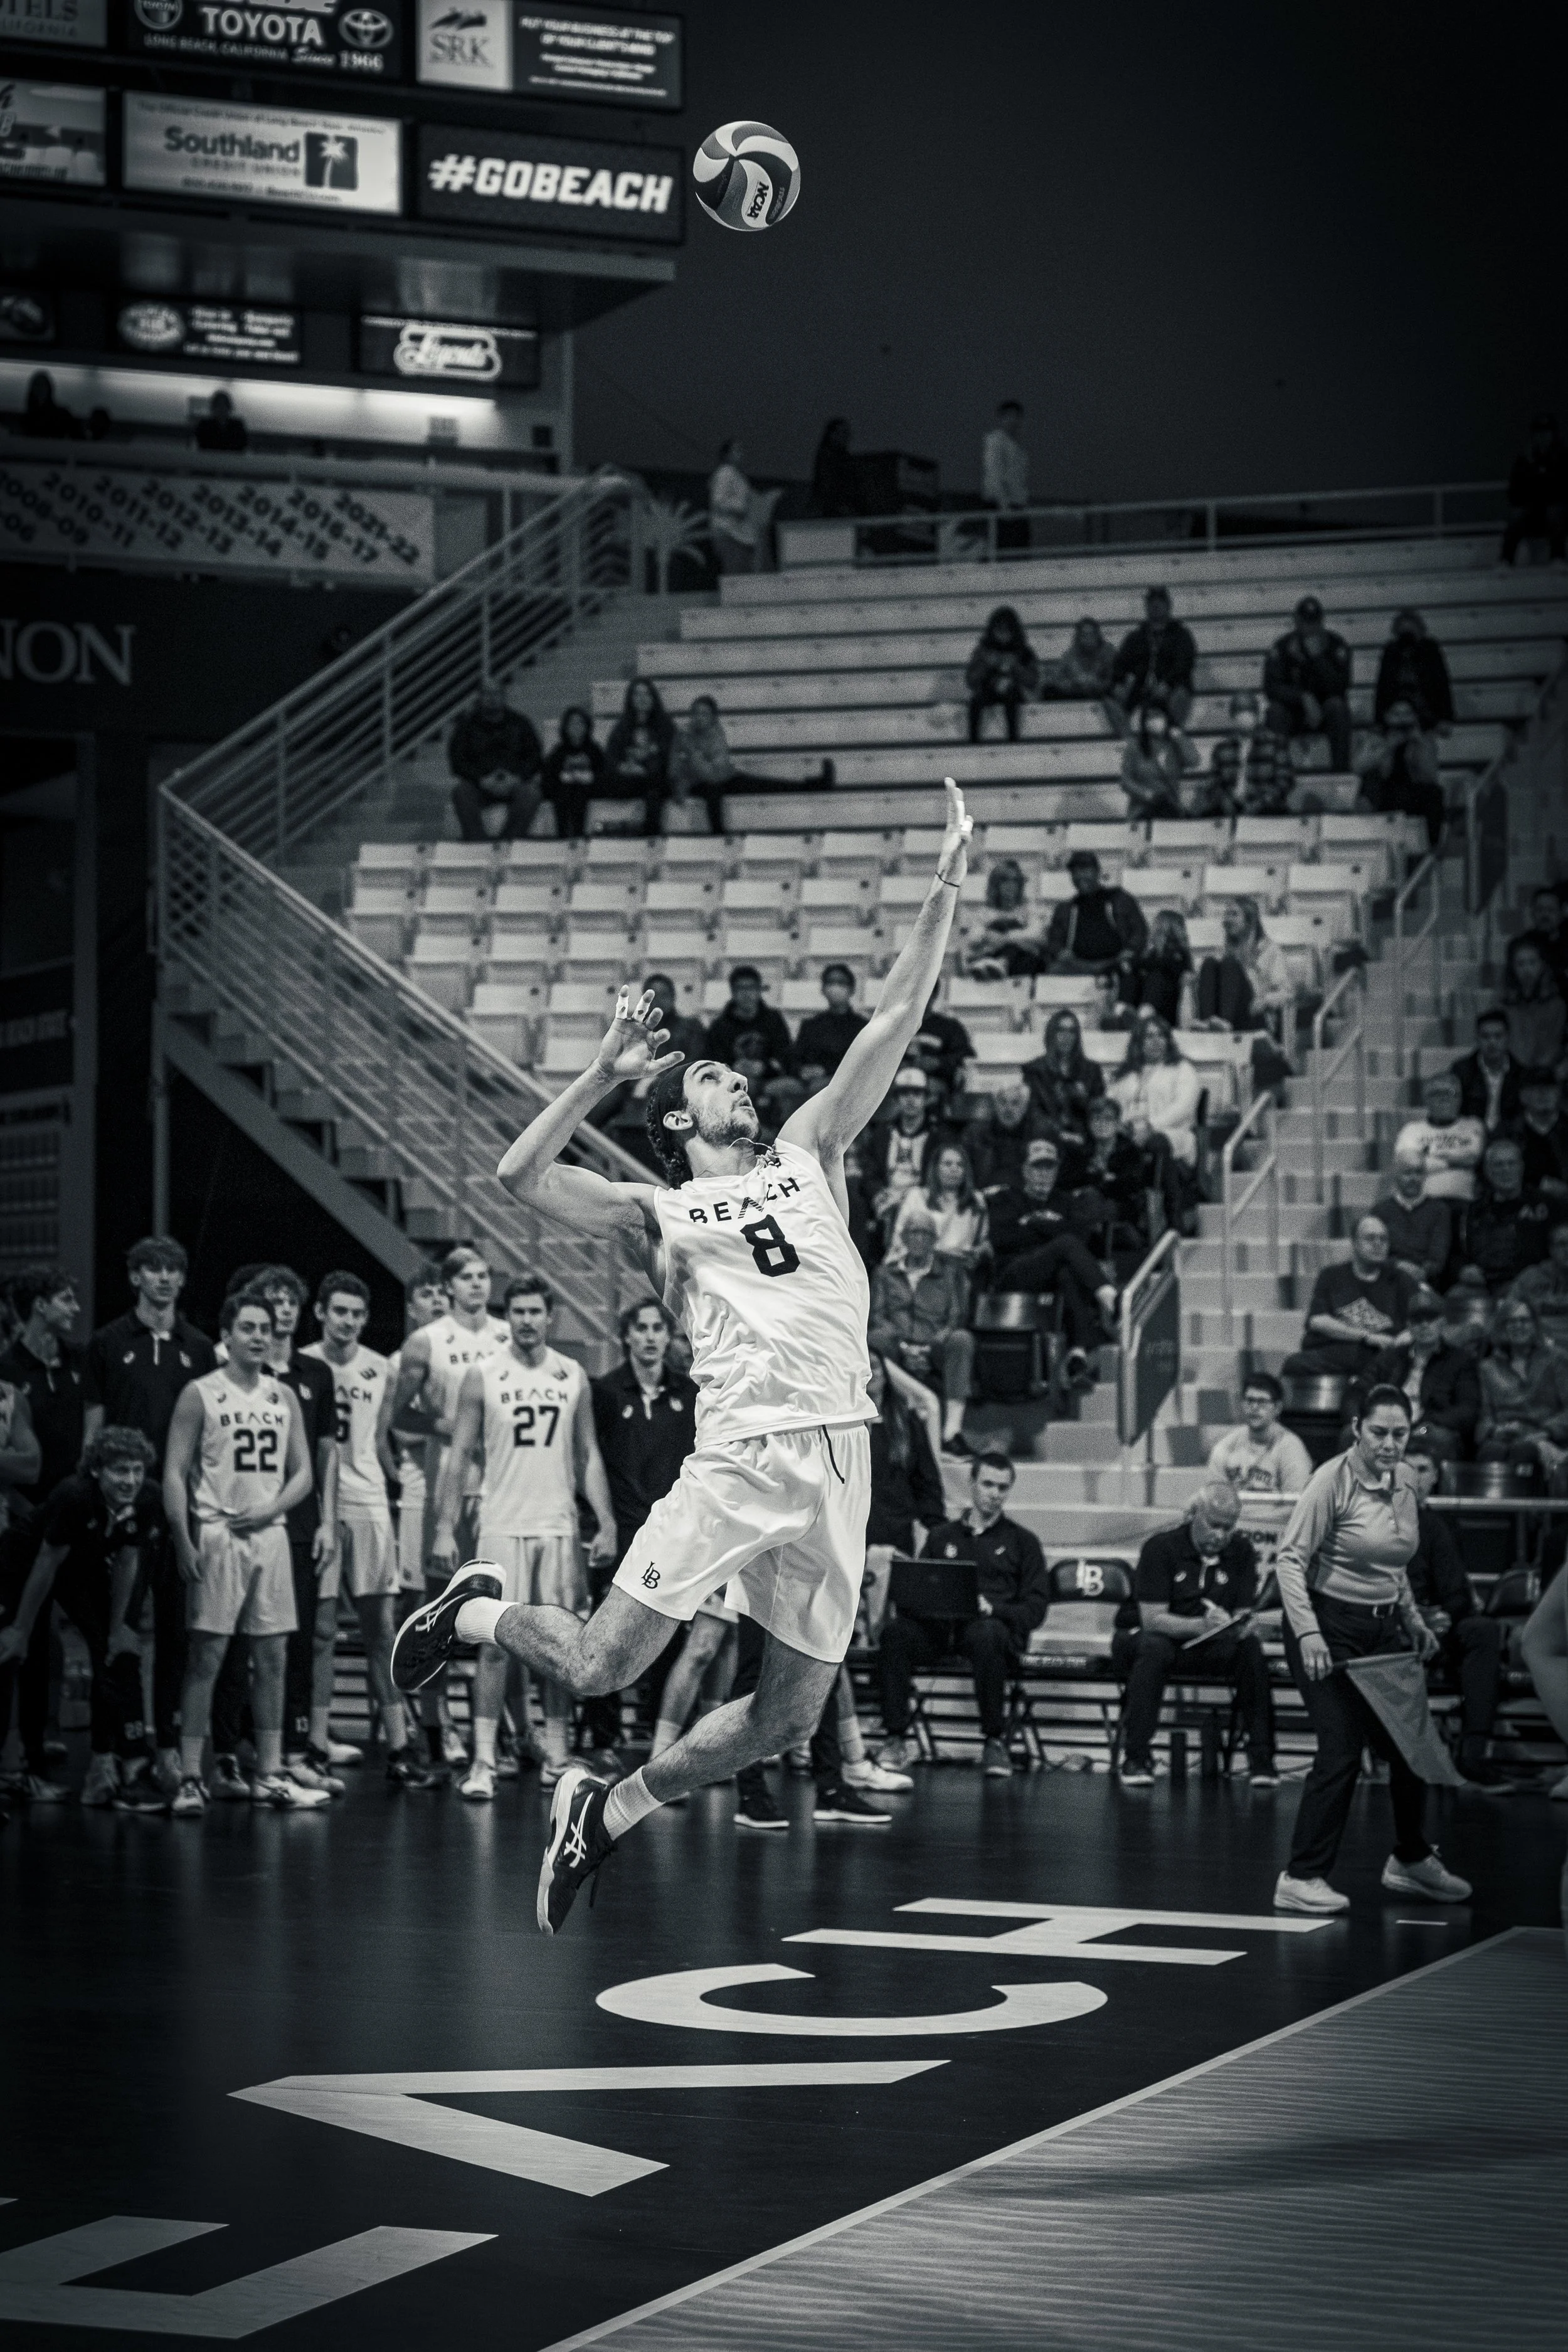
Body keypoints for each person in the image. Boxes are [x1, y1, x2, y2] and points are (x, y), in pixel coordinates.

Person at [393, 780, 981, 1935]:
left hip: (842, 1457)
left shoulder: (812, 1148)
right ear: (674, 1121)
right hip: (743, 1456)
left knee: (787, 1720)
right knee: (604, 1665)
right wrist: (604, 1073)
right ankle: (469, 1615)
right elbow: (518, 1178)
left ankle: (606, 1812)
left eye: (734, 1074)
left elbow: (897, 1016)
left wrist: (947, 877)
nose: (735, 1080)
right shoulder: (658, 1209)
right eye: (709, 1076)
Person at [1271, 1387, 1467, 1914]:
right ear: (1358, 1428)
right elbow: (1288, 1559)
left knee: (1409, 1747)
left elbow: (1392, 1561)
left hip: (1380, 1630)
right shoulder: (1330, 1481)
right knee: (1340, 1748)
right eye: (1379, 1432)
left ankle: (1410, 1858)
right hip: (1325, 1626)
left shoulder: (1404, 1479)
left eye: (1400, 1434)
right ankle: (1300, 1876)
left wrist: (1412, 1618)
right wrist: (1308, 1633)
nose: (1389, 1443)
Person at [432, 1274, 615, 1800]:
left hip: (557, 1526)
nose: (528, 1320)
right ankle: (485, 1759)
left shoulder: (571, 1374)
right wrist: (444, 1527)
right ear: (507, 1317)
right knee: (494, 1648)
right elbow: (460, 1456)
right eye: (519, 1312)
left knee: (558, 1646)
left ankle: (557, 1756)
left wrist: (605, 1519)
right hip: (501, 1525)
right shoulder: (482, 1375)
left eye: (536, 1311)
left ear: (549, 1316)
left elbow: (588, 1455)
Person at [162, 1290, 327, 1817]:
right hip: (218, 1533)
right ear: (227, 1334)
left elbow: (305, 1472)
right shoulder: (200, 1393)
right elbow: (173, 1471)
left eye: (267, 1328)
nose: (260, 1336)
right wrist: (183, 1537)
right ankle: (191, 1775)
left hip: (270, 1533)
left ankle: (271, 1773)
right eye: (249, 1327)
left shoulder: (283, 1396)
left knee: (273, 1656)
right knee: (207, 1657)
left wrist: (272, 1507)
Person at [81, 1236, 219, 1793]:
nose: (163, 1278)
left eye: (173, 1270)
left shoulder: (200, 1346)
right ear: (136, 1277)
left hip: (182, 1511)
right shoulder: (108, 1342)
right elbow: (93, 1429)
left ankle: (166, 1748)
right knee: (117, 1636)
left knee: (177, 1637)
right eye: (152, 1269)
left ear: (182, 1280)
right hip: (126, 1506)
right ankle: (113, 1750)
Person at [304, 1273, 431, 1788]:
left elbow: (387, 1437)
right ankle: (314, 1742)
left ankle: (401, 1746)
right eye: (340, 1311)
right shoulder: (301, 1364)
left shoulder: (382, 1368)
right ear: (321, 1313)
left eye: (357, 1313)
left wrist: (404, 1482)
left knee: (382, 1633)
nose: (349, 1321)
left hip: (372, 1505)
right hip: (321, 1511)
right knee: (321, 1635)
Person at [389, 1244, 510, 1775]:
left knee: (500, 1610)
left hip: (501, 1486)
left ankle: (506, 1728)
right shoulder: (426, 1342)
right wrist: (446, 1426)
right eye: (467, 1277)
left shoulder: (508, 1334)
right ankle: (438, 1729)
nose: (478, 1285)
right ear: (450, 1287)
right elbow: (397, 1420)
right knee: (438, 1611)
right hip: (442, 1484)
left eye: (484, 1276)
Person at [0, 1427, 166, 1813]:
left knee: (113, 1653)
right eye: (120, 1471)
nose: (131, 1480)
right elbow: (46, 1561)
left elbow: (127, 1559)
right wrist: (21, 1629)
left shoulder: (148, 1497)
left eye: (137, 1470)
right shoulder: (74, 1495)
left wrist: (116, 1626)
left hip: (81, 1565)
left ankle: (104, 1773)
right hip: (23, 1567)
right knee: (22, 1656)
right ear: (97, 1471)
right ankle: (22, 1772)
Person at [876, 1452, 1046, 1777]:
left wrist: (994, 1609)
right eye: (987, 1484)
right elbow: (917, 1587)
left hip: (990, 1631)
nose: (994, 1494)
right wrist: (920, 1599)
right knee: (896, 1634)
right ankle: (895, 1738)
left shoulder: (1023, 1542)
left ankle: (994, 1741)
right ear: (972, 1484)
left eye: (1002, 1487)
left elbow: (1036, 1609)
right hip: (940, 1628)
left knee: (987, 1634)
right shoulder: (942, 1537)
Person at [588, 1297, 698, 1765]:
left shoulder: (689, 1394)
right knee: (606, 1636)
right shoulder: (607, 1392)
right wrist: (603, 1524)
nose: (652, 1336)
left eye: (659, 1328)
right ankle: (604, 1740)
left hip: (672, 1537)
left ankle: (658, 1736)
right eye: (642, 1328)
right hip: (622, 1532)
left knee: (669, 1637)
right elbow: (589, 1461)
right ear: (626, 1336)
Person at [1114, 1482, 1278, 1788]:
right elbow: (1152, 1620)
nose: (1221, 1535)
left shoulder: (1241, 1551)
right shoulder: (1160, 1548)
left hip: (1211, 1643)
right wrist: (1203, 1626)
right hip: (1159, 1639)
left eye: (1228, 1528)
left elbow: (1243, 1616)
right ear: (1193, 1515)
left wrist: (1242, 1625)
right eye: (1214, 1525)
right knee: (1154, 1648)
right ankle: (1136, 1757)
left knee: (1250, 1650)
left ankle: (1262, 1760)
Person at [1402, 1441, 1513, 1789]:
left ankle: (1473, 1754)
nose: (1413, 1479)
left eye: (1422, 1470)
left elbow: (1456, 1590)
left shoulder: (1439, 1526)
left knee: (1482, 1631)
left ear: (1435, 1477)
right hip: (1391, 1622)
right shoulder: (1373, 1517)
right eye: (1408, 1469)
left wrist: (1443, 1616)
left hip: (1435, 1625)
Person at [987, 1138, 1120, 1387]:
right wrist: (1052, 1229)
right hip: (1014, 1274)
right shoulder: (1007, 1198)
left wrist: (1034, 1223)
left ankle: (1077, 1355)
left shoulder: (1065, 1202)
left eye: (1049, 1168)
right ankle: (1112, 1300)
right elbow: (1002, 1238)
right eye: (1037, 1167)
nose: (1043, 1174)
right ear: (1025, 1170)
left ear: (1057, 1172)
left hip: (1051, 1277)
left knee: (1067, 1272)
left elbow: (1082, 1237)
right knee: (1065, 1245)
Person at [868, 1205, 975, 1454]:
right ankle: (877, 1421)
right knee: (874, 1338)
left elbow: (956, 1317)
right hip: (896, 1345)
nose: (918, 1239)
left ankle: (952, 1432)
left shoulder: (950, 1274)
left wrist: (928, 1347)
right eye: (913, 1233)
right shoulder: (885, 1273)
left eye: (925, 1233)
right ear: (903, 1238)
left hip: (935, 1345)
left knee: (962, 1339)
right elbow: (877, 1315)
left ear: (935, 1240)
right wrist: (904, 1346)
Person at [858, 1345, 946, 1642]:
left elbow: (927, 1480)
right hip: (852, 1532)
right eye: (867, 1366)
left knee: (891, 1624)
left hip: (895, 1532)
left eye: (879, 1366)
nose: (874, 1373)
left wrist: (936, 1529)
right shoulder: (841, 1424)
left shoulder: (906, 1423)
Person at [1352, 1288, 1481, 1466]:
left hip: (1428, 1427)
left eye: (1431, 1319)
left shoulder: (1460, 1360)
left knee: (1440, 1439)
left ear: (1442, 1323)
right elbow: (1358, 1392)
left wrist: (1428, 1422)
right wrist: (1366, 1421)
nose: (1424, 1325)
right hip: (1388, 1423)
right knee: (1351, 1434)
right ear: (1409, 1326)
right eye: (1417, 1320)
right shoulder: (1390, 1358)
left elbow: (1467, 1410)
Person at [1283, 1214, 1416, 1384]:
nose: (1378, 1244)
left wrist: (1403, 1339)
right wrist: (1367, 1336)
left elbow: (1421, 1320)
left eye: (1384, 1239)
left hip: (1383, 1354)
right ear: (1354, 1243)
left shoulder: (1401, 1279)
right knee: (1294, 1364)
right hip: (1340, 1350)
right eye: (1370, 1238)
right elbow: (1318, 1320)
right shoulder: (1332, 1275)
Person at [0, 1265, 83, 1510]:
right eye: (67, 1300)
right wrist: (30, 1516)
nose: (76, 1308)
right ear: (41, 1306)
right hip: (26, 1512)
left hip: (78, 1507)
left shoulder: (83, 1360)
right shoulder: (4, 1371)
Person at [1195, 897, 1296, 1085]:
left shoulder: (1270, 951)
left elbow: (1287, 992)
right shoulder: (1222, 951)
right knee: (1209, 963)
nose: (1227, 920)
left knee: (1230, 964)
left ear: (1250, 920)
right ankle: (1208, 1023)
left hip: (1254, 1015)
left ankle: (1223, 1023)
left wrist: (1265, 1001)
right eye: (1226, 914)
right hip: (1225, 1014)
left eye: (1234, 914)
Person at [1475, 1295, 1568, 1491]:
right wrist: (1495, 1431)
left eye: (1524, 1320)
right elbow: (1484, 1416)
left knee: (1526, 1451)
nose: (1518, 1326)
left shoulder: (1557, 1360)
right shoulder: (1488, 1368)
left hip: (1545, 1435)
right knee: (1491, 1451)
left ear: (1535, 1325)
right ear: (1502, 1327)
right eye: (1511, 1321)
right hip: (1505, 1438)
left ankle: (1530, 1518)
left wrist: (1545, 1432)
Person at [1110, 1012, 1202, 1192]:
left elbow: (1184, 1106)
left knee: (1157, 1143)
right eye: (1150, 1036)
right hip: (1129, 1133)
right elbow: (1110, 1104)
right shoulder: (1125, 1073)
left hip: (1172, 1134)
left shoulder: (1182, 1068)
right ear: (1139, 1042)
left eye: (1161, 1035)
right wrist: (1121, 1126)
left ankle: (1166, 1213)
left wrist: (1150, 1127)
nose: (1156, 1041)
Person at [1263, 595, 1353, 772]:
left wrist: (1319, 659)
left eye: (1314, 623)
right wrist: (1303, 697)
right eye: (1305, 623)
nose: (1310, 628)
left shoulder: (1336, 645)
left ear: (1322, 622)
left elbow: (1341, 686)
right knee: (1275, 712)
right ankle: (1279, 773)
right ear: (1296, 621)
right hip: (1295, 713)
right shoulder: (1282, 647)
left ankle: (1341, 772)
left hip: (1326, 712)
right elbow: (1271, 688)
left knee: (1338, 707)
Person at [704, 965, 800, 1128]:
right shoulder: (720, 1026)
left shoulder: (774, 1020)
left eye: (751, 988)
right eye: (741, 989)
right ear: (733, 992)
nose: (747, 994)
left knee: (792, 1087)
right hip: (733, 1080)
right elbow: (713, 1060)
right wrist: (733, 1068)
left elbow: (786, 1056)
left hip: (770, 1079)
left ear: (759, 990)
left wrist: (764, 1067)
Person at [448, 682, 544, 844]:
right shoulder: (466, 725)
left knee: (532, 793)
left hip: (514, 781)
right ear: (480, 697)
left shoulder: (520, 723)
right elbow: (457, 761)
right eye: (487, 694)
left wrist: (517, 778)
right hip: (480, 783)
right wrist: (481, 779)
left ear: (503, 696)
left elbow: (535, 757)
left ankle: (508, 843)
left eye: (496, 693)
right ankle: (478, 844)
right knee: (461, 792)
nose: (492, 698)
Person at [1456, 1136, 1551, 1294]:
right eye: (1498, 1165)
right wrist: (1463, 1270)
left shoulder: (1545, 1205)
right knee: (1457, 1297)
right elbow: (1458, 1253)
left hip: (1532, 1283)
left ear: (1522, 1167)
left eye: (1511, 1163)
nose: (1505, 1170)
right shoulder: (1474, 1210)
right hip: (1482, 1283)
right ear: (1487, 1171)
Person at [1353, 697, 1446, 850]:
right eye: (1397, 714)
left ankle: (1432, 849)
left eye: (1407, 714)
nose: (1402, 719)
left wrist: (1419, 743)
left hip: (1411, 795)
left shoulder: (1423, 740)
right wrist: (1388, 747)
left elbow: (1430, 777)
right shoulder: (1374, 739)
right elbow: (1357, 767)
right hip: (1382, 795)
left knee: (1435, 794)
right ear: (1387, 716)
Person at [1039, 850, 1148, 980]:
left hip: (1115, 962)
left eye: (1085, 870)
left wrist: (1131, 950)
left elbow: (1139, 929)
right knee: (1053, 972)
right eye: (1075, 872)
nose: (1080, 876)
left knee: (1131, 971)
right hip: (1077, 964)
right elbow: (1054, 939)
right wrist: (1060, 952)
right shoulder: (1065, 908)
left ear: (1097, 872)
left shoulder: (1119, 898)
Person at [1107, 585, 1197, 737]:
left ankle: (1170, 736)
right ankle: (1129, 741)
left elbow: (1185, 663)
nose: (1156, 606)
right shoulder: (1135, 637)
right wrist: (1119, 682)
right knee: (1110, 700)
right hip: (1140, 687)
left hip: (1171, 688)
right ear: (1146, 606)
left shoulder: (1181, 635)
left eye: (1160, 603)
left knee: (1181, 694)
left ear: (1168, 606)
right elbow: (1120, 664)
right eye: (1152, 603)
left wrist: (1167, 683)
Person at [863, 1062, 950, 1219]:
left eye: (916, 1094)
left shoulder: (939, 1136)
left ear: (926, 1099)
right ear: (896, 1099)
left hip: (923, 1202)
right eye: (904, 1094)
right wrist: (878, 1193)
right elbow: (870, 1172)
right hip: (886, 1199)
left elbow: (940, 1176)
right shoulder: (882, 1134)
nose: (910, 1099)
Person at [891, 1142, 990, 1278]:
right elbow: (899, 1240)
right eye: (948, 1164)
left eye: (960, 1165)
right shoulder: (916, 1196)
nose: (954, 1169)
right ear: (936, 1168)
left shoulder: (976, 1201)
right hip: (919, 1268)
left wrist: (980, 1251)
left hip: (959, 1272)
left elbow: (982, 1241)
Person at [1207, 1372, 1315, 1495]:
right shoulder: (1227, 1445)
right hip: (1235, 1514)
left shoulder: (1291, 1448)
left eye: (1262, 1401)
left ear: (1277, 1408)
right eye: (1250, 1400)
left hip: (1275, 1514)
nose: (1254, 1407)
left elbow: (1297, 1503)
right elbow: (1214, 1498)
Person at [1393, 1069, 1486, 1200]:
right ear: (1426, 1099)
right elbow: (1409, 1166)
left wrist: (1429, 1158)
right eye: (1437, 1093)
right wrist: (1455, 1162)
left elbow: (1472, 1158)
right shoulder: (1412, 1130)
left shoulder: (1473, 1126)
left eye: (1450, 1093)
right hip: (1422, 1205)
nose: (1444, 1099)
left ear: (1460, 1099)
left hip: (1466, 1204)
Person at [1022, 1007, 1106, 1150]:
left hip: (1084, 1138)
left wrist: (1084, 1100)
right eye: (1061, 1030)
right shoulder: (1035, 1070)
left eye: (1072, 1031)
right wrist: (1059, 1134)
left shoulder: (1092, 1070)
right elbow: (1034, 1113)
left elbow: (1099, 1111)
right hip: (1047, 1139)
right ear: (1052, 1034)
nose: (1066, 1037)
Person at [1372, 1147, 1454, 1288]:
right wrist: (1398, 1266)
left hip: (1426, 1282)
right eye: (1407, 1173)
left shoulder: (1439, 1210)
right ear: (1396, 1176)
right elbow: (1374, 1253)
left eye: (1418, 1172)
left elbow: (1438, 1258)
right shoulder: (1380, 1211)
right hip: (1387, 1281)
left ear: (1425, 1176)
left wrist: (1420, 1272)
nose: (1413, 1179)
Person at [603, 678, 675, 835]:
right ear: (630, 699)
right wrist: (624, 768)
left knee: (655, 787)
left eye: (646, 694)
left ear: (653, 697)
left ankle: (651, 838)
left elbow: (671, 753)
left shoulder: (665, 724)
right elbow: (611, 757)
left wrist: (650, 756)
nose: (642, 698)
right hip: (631, 779)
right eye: (637, 694)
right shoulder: (622, 726)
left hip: (656, 779)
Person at [1498, 411, 1567, 567]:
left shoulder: (1563, 458)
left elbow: (1562, 489)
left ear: (1554, 434)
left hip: (1558, 514)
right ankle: (1505, 560)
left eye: (1547, 432)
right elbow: (1514, 490)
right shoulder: (1524, 459)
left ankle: (1558, 557)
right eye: (1539, 432)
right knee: (1516, 514)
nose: (1543, 436)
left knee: (1555, 511)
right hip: (1532, 513)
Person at [965, 605, 1039, 744]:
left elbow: (1033, 681)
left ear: (1014, 632)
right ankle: (973, 741)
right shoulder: (983, 651)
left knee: (1011, 694)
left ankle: (1013, 740)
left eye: (1007, 631)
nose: (1003, 635)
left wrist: (1016, 667)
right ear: (992, 631)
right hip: (988, 692)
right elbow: (970, 681)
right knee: (975, 701)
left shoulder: (1024, 651)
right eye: (999, 630)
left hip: (1014, 694)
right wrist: (986, 665)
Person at [1374, 608, 1455, 731]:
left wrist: (1445, 718)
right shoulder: (1391, 651)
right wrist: (1379, 720)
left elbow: (1441, 683)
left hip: (1424, 706)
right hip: (1398, 706)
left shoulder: (1430, 649)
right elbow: (1383, 686)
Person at [967, 1079, 1053, 1192]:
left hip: (1026, 1199)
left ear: (1025, 1108)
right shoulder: (975, 1134)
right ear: (995, 1105)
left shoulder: (1039, 1134)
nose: (1008, 1109)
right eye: (1003, 1102)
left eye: (1015, 1103)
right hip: (985, 1196)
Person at [1120, 703, 1200, 820]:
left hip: (1171, 809)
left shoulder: (1175, 745)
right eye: (1149, 717)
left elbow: (1194, 761)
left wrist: (1180, 738)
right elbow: (1125, 781)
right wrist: (1147, 794)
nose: (1154, 721)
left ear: (1167, 718)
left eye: (1157, 716)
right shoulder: (1134, 746)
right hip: (1142, 809)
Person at [1500, 935, 1567, 1075]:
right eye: (1521, 964)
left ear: (1542, 965)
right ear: (1513, 967)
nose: (1527, 970)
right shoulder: (1504, 1006)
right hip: (1512, 1076)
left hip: (1548, 1077)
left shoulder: (1557, 1005)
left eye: (1532, 963)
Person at [541, 707, 608, 843]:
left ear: (587, 726)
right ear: (565, 727)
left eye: (580, 723)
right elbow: (548, 778)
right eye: (572, 723)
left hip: (588, 790)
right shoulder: (558, 752)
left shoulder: (595, 751)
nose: (576, 727)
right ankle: (563, 839)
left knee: (579, 792)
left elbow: (604, 776)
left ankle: (579, 837)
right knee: (564, 793)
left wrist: (586, 778)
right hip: (563, 791)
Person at [795, 963, 867, 1089]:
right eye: (830, 982)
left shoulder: (862, 1026)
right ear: (823, 989)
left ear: (852, 989)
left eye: (841, 982)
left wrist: (826, 1070)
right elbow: (796, 1058)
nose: (835, 987)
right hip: (812, 1082)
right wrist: (804, 1070)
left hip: (850, 1082)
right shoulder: (811, 1025)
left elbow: (861, 1063)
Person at [1450, 1010, 1525, 1132]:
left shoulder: (1521, 1073)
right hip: (1469, 1133)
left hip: (1508, 1137)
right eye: (1485, 1036)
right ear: (1477, 1038)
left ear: (1508, 1038)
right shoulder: (1462, 1071)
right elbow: (1454, 1111)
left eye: (1498, 1036)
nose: (1492, 1042)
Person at [963, 857, 1037, 977]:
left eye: (1015, 881)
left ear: (1020, 885)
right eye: (1005, 881)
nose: (1010, 886)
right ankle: (993, 967)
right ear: (996, 885)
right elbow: (973, 939)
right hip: (989, 957)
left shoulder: (1028, 910)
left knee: (1020, 951)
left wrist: (1005, 938)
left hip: (1021, 965)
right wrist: (988, 934)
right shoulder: (985, 913)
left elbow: (1036, 934)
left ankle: (1002, 964)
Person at [1507, 1069, 1568, 1198]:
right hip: (1520, 1202)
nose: (1543, 1094)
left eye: (1549, 1089)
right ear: (1523, 1096)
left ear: (1558, 1094)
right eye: (1535, 1089)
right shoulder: (1509, 1131)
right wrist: (1537, 1183)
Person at [1509, 1217, 1568, 1347]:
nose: (1567, 1250)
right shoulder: (1531, 1277)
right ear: (1551, 1249)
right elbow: (1509, 1313)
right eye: (1562, 1244)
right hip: (1539, 1349)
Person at [980, 400, 1029, 548]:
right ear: (1000, 419)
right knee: (1004, 551)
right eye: (1009, 416)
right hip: (1002, 506)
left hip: (1017, 504)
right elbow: (994, 474)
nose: (1013, 421)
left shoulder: (1018, 446)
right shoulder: (996, 441)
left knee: (1020, 549)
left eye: (1017, 417)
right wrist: (1003, 504)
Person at [708, 438, 756, 575]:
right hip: (728, 532)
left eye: (741, 450)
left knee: (743, 575)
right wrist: (739, 509)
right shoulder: (725, 473)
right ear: (727, 454)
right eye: (737, 450)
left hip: (740, 533)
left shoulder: (738, 476)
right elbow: (718, 501)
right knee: (734, 577)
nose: (741, 453)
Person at [1042, 617, 1115, 706]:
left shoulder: (1109, 652)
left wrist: (1095, 683)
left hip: (1100, 695)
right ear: (1078, 637)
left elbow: (1113, 680)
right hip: (1077, 694)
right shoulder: (1071, 654)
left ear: (1098, 635)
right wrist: (1074, 683)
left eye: (1092, 635)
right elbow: (1058, 679)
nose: (1088, 639)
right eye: (1084, 635)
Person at [810, 417, 859, 517]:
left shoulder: (845, 457)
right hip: (831, 509)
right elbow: (827, 484)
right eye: (842, 433)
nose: (846, 437)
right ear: (832, 435)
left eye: (846, 433)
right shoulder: (827, 456)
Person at [18, 369, 81, 441]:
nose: (40, 389)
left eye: (43, 385)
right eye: (37, 385)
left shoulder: (62, 415)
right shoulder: (27, 418)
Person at [194, 389, 248, 453]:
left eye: (224, 406)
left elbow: (242, 445)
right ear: (214, 408)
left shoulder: (237, 426)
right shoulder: (204, 425)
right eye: (219, 406)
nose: (221, 409)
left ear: (229, 408)